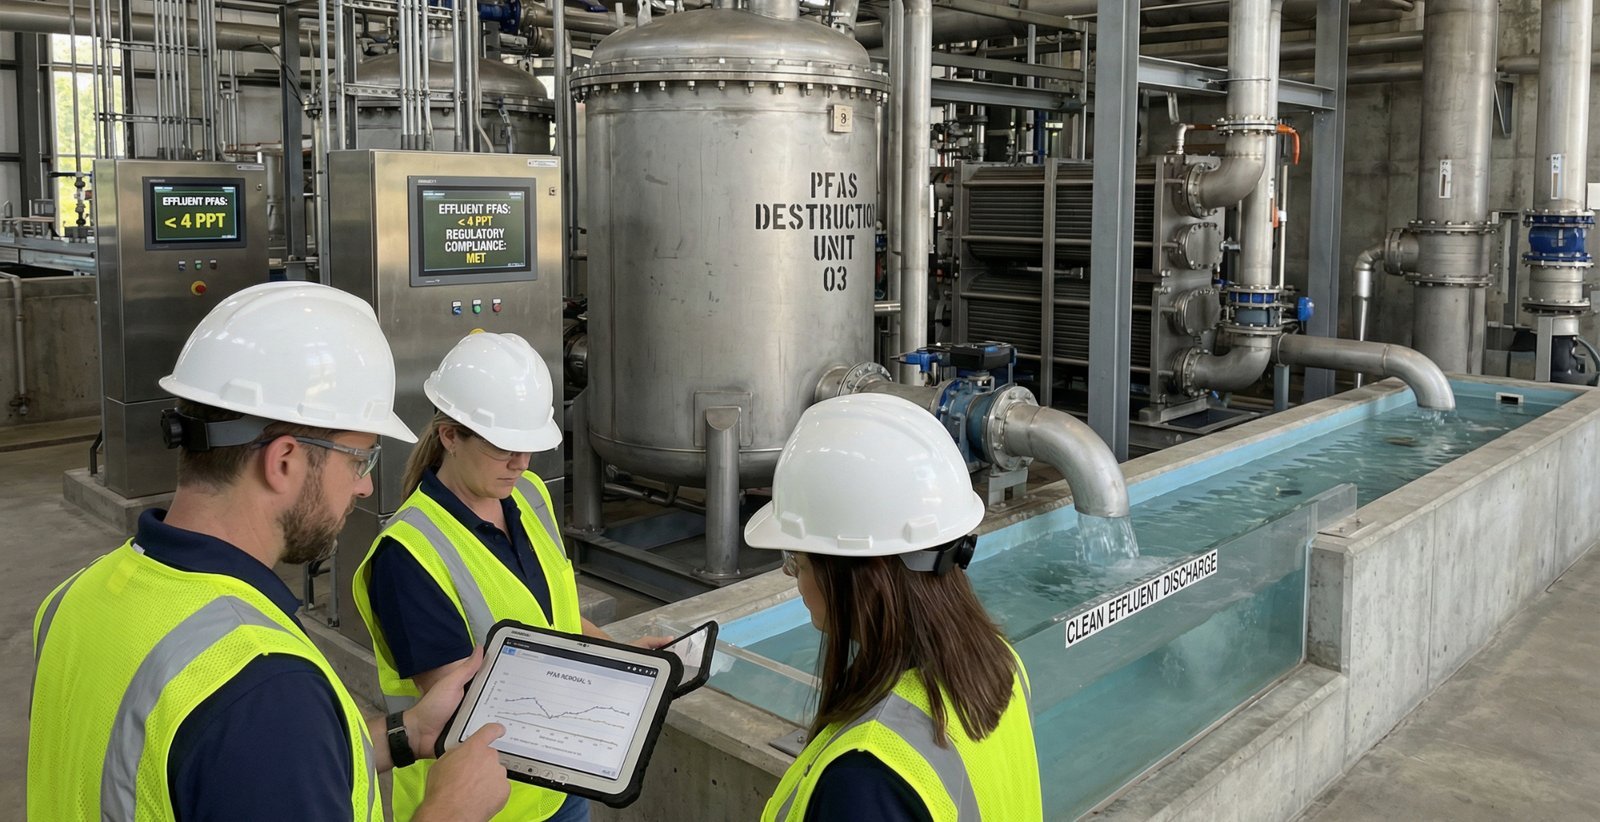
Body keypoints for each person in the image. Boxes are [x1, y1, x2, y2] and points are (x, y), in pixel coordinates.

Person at [27, 282, 510, 822]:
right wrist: (450, 809)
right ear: (283, 461)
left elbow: (233, 771)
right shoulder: (262, 683)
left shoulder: (74, 596)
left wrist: (410, 733)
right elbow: (260, 743)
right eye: (359, 460)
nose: (365, 487)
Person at [354, 332, 657, 822]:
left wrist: (621, 659)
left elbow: (555, 618)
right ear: (450, 436)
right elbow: (463, 704)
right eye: (504, 448)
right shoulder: (407, 556)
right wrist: (603, 691)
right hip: (486, 806)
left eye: (528, 446)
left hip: (560, 783)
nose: (522, 463)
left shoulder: (528, 494)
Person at [744, 393, 1044, 822]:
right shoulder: (1001, 664)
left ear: (863, 576)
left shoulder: (865, 778)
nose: (792, 574)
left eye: (798, 559)